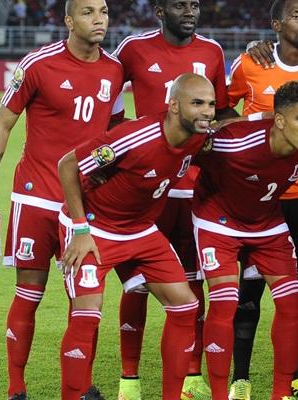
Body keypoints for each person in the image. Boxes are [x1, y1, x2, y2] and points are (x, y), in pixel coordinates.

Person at [0, 1, 122, 398]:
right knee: (29, 293)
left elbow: (116, 131)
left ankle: (80, 386)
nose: (99, 19)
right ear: (69, 20)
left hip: (83, 208)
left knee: (85, 300)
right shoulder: (38, 64)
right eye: (88, 12)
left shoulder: (114, 70)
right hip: (36, 198)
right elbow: (2, 124)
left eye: (104, 11)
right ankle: (16, 388)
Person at [193, 81, 298, 400]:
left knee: (292, 303)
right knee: (225, 302)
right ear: (279, 120)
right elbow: (180, 146)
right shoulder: (233, 143)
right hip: (218, 222)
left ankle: (281, 393)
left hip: (267, 224)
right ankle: (219, 394)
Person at [57, 73, 215, 400]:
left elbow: (232, 129)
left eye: (211, 104)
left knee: (186, 306)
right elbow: (68, 165)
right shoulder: (136, 137)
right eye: (198, 103)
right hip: (94, 228)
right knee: (87, 315)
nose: (207, 112)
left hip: (141, 230)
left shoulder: (198, 136)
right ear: (174, 106)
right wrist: (81, 228)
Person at [111, 1, 234, 398]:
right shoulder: (133, 48)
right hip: (146, 189)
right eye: (180, 4)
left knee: (193, 281)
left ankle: (192, 375)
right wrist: (125, 139)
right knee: (137, 284)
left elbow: (223, 111)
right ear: (160, 10)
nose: (189, 11)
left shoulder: (212, 51)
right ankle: (129, 379)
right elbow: (107, 95)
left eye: (194, 4)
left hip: (196, 187)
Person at [226, 1, 298, 398]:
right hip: (258, 201)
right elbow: (223, 109)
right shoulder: (250, 63)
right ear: (276, 24)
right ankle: (240, 379)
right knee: (249, 294)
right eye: (296, 15)